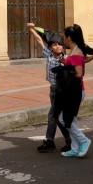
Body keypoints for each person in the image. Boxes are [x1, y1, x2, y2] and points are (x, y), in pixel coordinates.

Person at [53, 24, 93, 158]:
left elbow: (78, 73)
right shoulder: (75, 51)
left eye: (64, 37)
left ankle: (84, 140)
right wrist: (66, 62)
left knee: (63, 119)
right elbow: (83, 62)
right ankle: (75, 147)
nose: (63, 40)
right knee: (71, 119)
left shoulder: (76, 52)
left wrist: (63, 69)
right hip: (72, 90)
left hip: (74, 91)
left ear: (69, 37)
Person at [27, 22, 71, 153]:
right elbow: (39, 39)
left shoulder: (66, 59)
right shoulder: (49, 55)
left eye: (59, 44)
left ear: (63, 47)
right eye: (54, 45)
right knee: (57, 117)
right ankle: (67, 140)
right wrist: (31, 29)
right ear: (50, 48)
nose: (57, 47)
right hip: (53, 90)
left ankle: (51, 140)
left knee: (54, 116)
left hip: (61, 92)